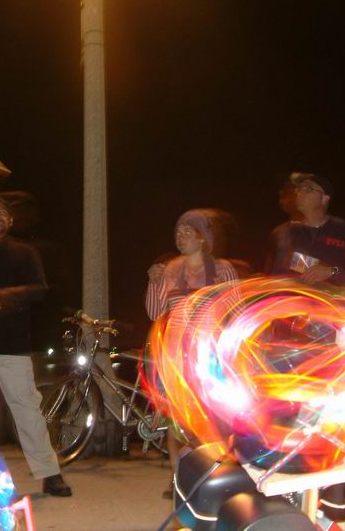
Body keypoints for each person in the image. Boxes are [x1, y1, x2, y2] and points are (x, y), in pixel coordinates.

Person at [0, 201, 72, 497]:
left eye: (2, 213)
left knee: (27, 410)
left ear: (11, 221)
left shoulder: (24, 252)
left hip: (14, 344)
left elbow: (39, 289)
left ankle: (49, 473)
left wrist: (1, 294)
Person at [144, 208, 239, 498]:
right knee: (178, 420)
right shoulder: (170, 269)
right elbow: (155, 313)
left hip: (210, 354)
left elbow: (235, 311)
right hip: (176, 356)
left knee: (212, 419)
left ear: (203, 238)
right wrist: (154, 282)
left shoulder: (222, 269)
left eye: (188, 231)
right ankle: (177, 477)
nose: (180, 236)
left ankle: (215, 472)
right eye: (178, 231)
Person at [267, 173, 345, 286]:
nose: (299, 194)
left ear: (324, 199)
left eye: (308, 189)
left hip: (332, 296)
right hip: (295, 296)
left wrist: (332, 271)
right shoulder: (283, 232)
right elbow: (277, 276)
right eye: (299, 190)